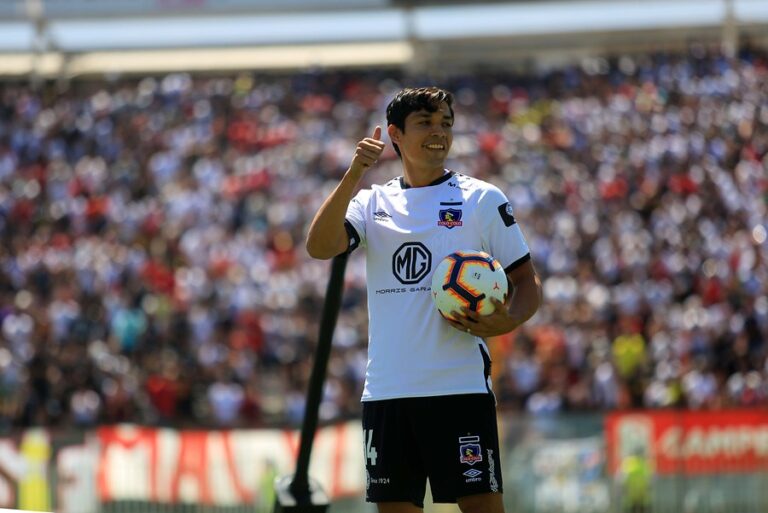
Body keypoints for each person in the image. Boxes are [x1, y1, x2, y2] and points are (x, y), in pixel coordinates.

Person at [306, 86, 542, 513]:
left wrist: (509, 320)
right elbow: (320, 246)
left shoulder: (481, 198)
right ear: (395, 134)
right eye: (426, 123)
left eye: (446, 124)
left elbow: (526, 281)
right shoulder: (371, 201)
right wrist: (355, 172)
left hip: (459, 388)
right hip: (387, 393)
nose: (439, 133)